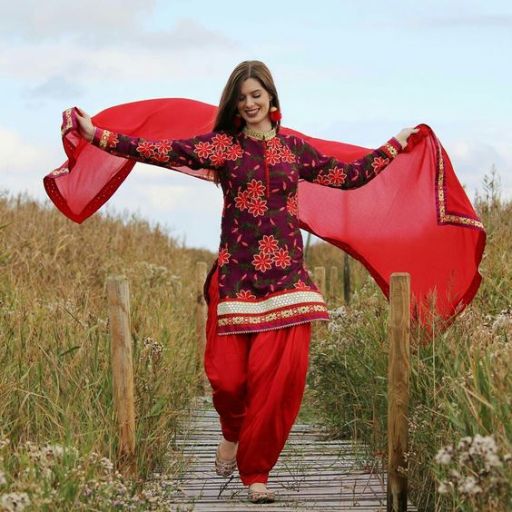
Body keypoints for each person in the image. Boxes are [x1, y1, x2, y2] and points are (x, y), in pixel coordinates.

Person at [75, 60, 418, 504]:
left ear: (272, 98)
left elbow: (350, 177)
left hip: (287, 279)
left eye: (257, 94)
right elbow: (161, 150)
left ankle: (257, 473)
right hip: (236, 277)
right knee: (228, 380)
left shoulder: (295, 150)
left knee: (279, 381)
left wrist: (395, 146)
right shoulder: (224, 149)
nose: (250, 103)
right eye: (242, 97)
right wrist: (98, 136)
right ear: (235, 107)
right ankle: (232, 433)